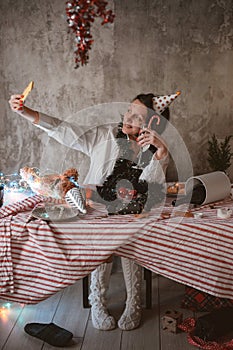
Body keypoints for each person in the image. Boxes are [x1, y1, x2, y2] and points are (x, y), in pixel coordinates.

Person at [9, 92, 169, 331]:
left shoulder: (153, 149)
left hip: (133, 212)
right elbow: (64, 130)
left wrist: (162, 151)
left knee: (132, 242)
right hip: (96, 210)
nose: (129, 117)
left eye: (138, 117)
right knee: (99, 246)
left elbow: (155, 186)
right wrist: (25, 111)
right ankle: (98, 301)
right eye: (129, 111)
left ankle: (133, 302)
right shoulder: (104, 136)